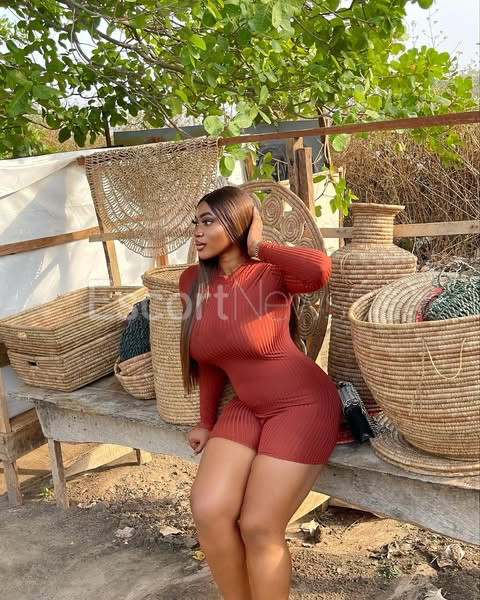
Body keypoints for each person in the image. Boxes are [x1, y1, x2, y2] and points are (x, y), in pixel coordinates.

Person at [178, 186, 341, 600]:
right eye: (195, 222)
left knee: (258, 526)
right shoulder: (191, 282)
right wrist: (206, 421)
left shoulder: (271, 274)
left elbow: (319, 269)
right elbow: (210, 358)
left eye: (208, 221)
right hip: (247, 406)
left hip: (301, 405)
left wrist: (259, 245)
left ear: (238, 224)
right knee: (209, 511)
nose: (197, 230)